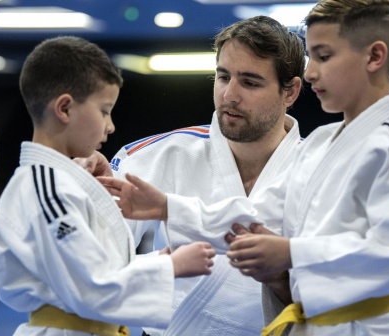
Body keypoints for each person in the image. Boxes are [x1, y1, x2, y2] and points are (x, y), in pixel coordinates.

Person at [105, 0, 389, 335]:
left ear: (374, 57)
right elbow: (255, 216)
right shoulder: (321, 144)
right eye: (312, 56)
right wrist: (169, 207)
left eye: (323, 56)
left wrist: (290, 252)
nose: (312, 71)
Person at [0, 36, 216, 336]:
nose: (111, 126)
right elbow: (91, 285)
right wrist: (170, 267)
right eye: (105, 111)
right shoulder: (45, 189)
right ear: (65, 109)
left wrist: (158, 259)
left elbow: (91, 264)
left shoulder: (58, 183)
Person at [94, 15, 304, 336]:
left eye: (250, 82)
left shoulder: (321, 169)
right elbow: (89, 265)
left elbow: (340, 296)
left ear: (290, 92)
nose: (229, 95)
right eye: (223, 77)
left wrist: (279, 278)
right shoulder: (156, 156)